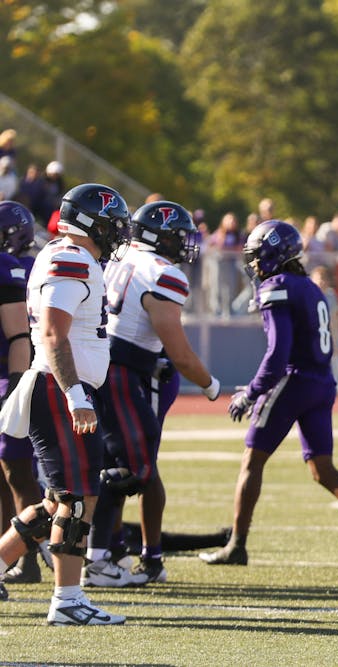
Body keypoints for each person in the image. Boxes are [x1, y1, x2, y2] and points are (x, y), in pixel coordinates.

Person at [0, 183, 132, 625]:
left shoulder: (68, 254)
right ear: (93, 223)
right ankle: (68, 599)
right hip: (60, 389)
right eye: (114, 224)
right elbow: (55, 335)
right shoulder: (71, 258)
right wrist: (77, 395)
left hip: (61, 387)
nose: (119, 233)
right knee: (77, 500)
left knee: (58, 500)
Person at [200, 220, 338, 565]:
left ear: (273, 255)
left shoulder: (277, 286)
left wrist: (252, 392)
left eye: (257, 256)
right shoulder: (309, 285)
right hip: (322, 381)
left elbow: (277, 354)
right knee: (323, 470)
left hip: (295, 380)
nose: (255, 264)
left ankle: (237, 545)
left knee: (252, 460)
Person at [85, 201, 221, 587]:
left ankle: (102, 552)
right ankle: (93, 555)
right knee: (136, 469)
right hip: (123, 373)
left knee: (115, 462)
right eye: (179, 237)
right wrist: (211, 386)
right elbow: (178, 352)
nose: (184, 245)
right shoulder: (164, 273)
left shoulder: (119, 256)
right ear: (161, 237)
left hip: (99, 363)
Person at [0, 201, 43, 586]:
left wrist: (13, 386)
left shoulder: (15, 269)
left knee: (17, 473)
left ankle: (25, 557)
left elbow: (18, 336)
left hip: (12, 376)